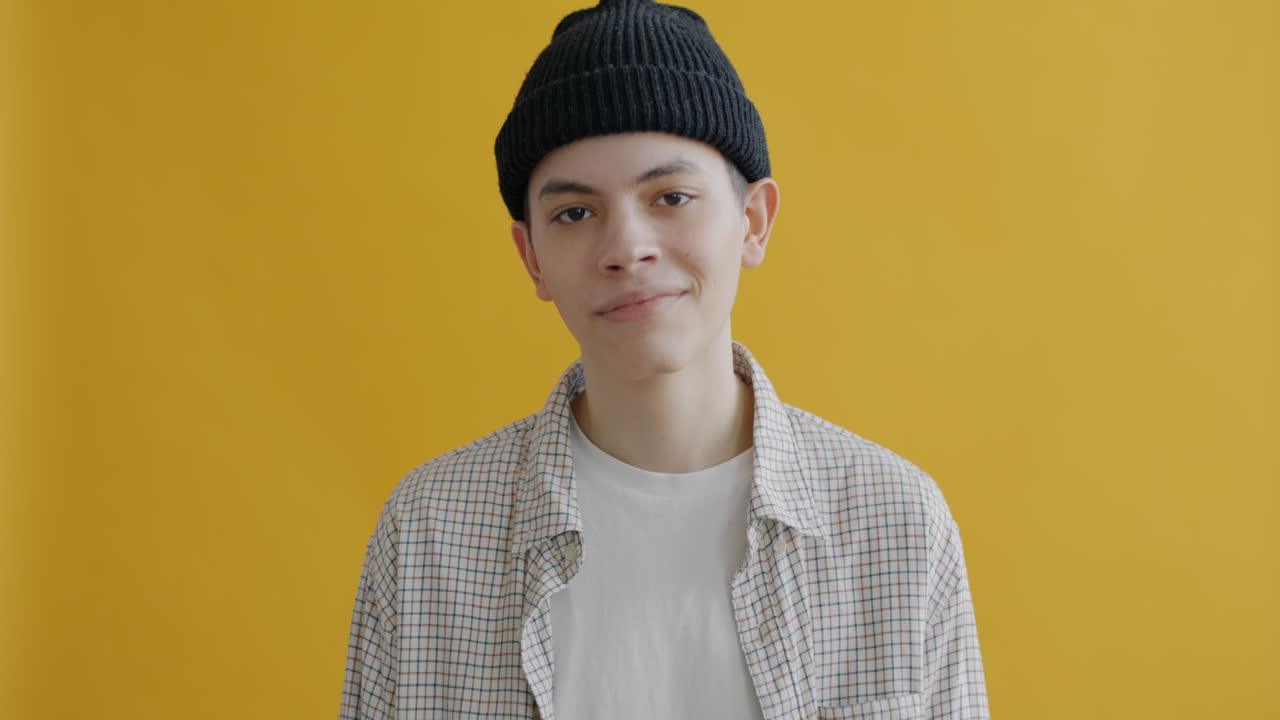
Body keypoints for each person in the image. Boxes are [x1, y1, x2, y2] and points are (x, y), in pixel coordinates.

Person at [339, 1, 989, 718]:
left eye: (671, 197)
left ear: (753, 221)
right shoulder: (430, 535)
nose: (627, 247)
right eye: (575, 213)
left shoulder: (895, 523)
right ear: (531, 258)